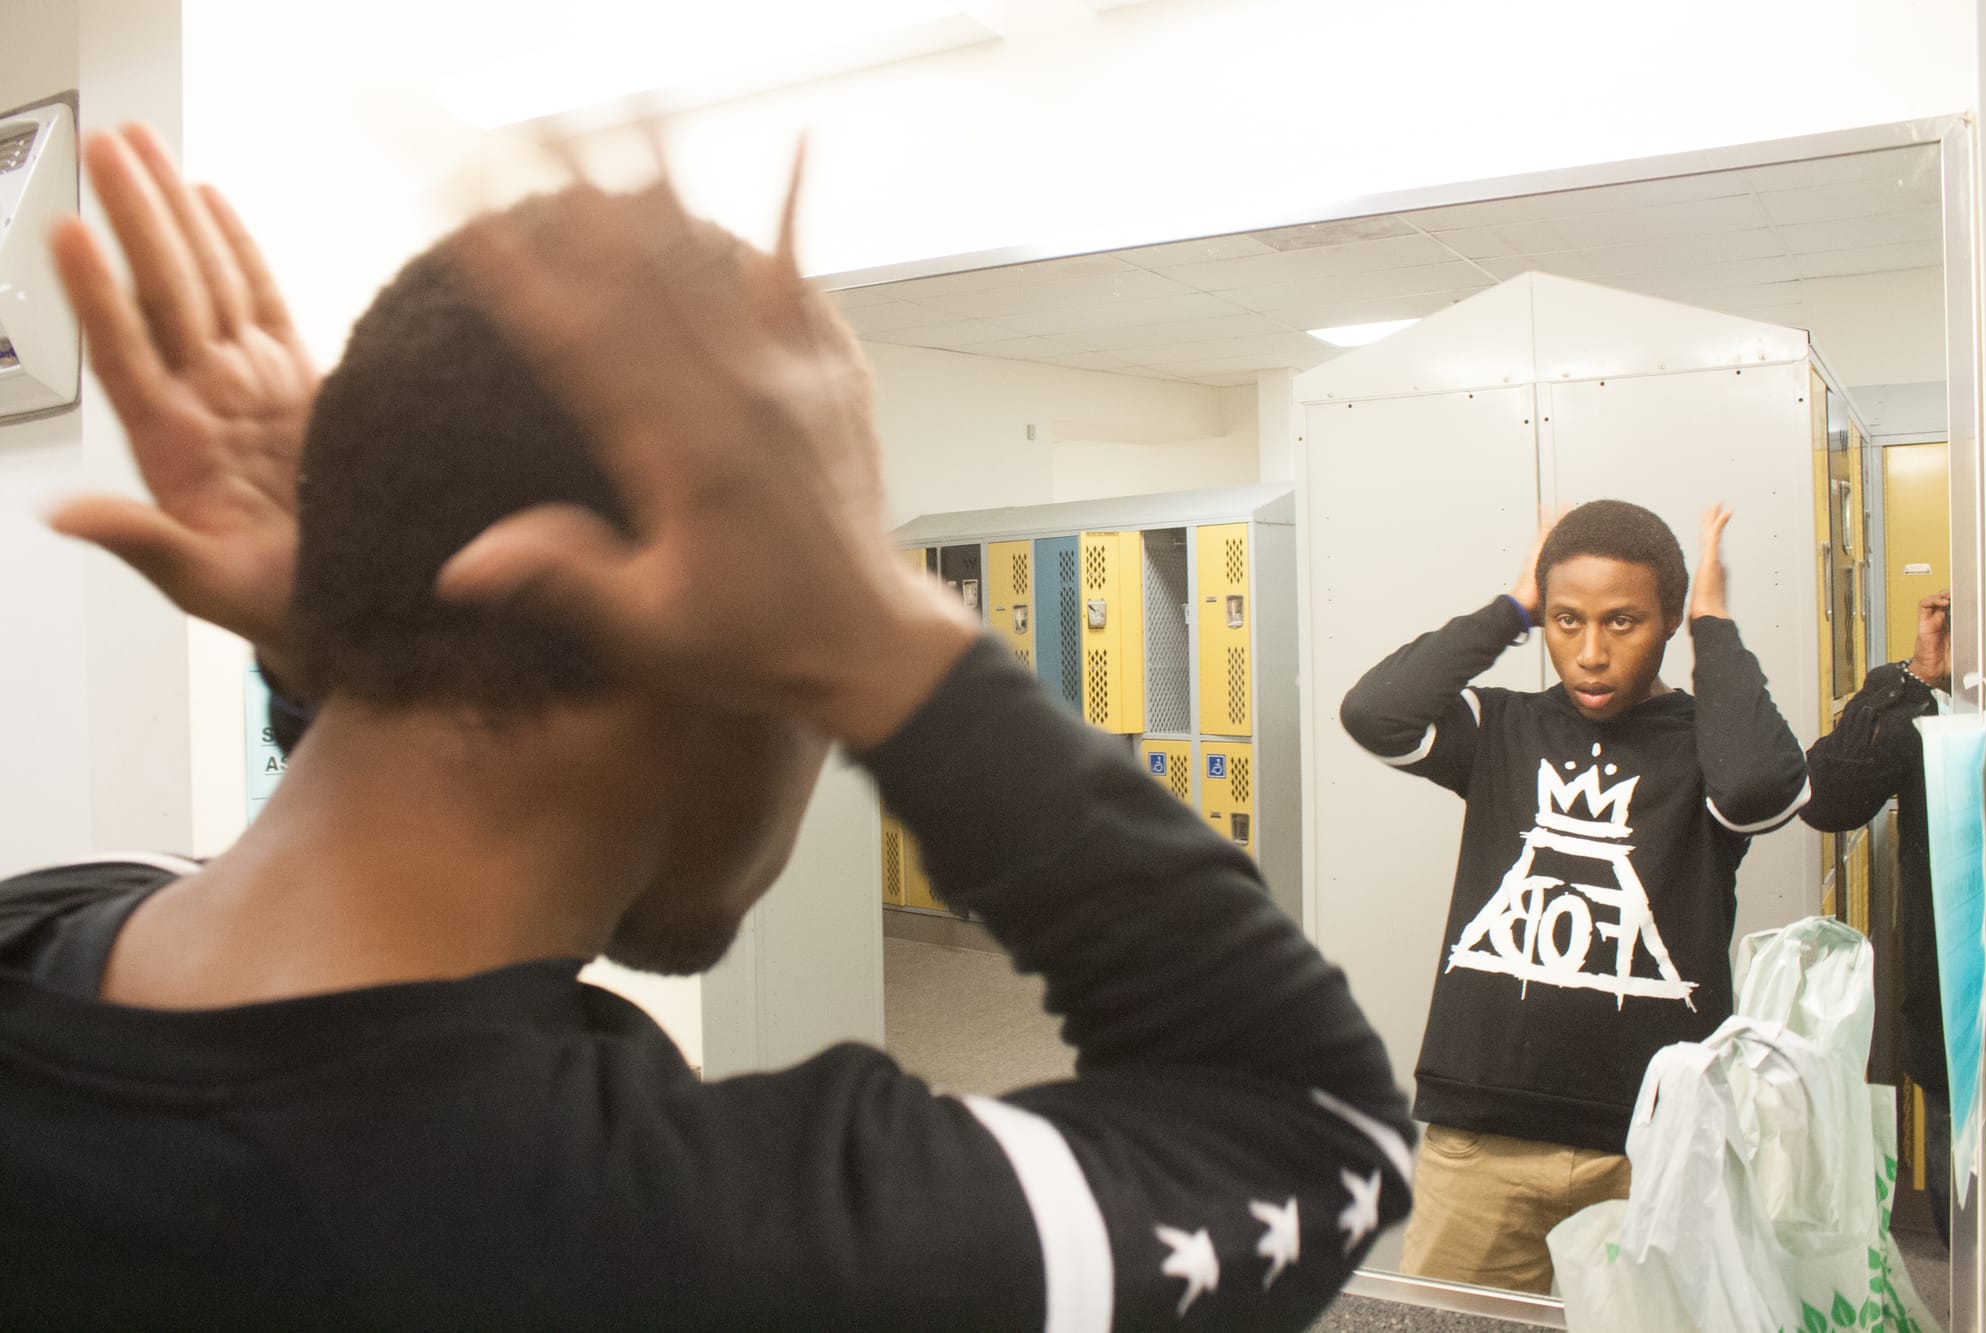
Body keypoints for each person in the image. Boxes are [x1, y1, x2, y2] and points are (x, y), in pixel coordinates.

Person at [0, 125, 1414, 1330]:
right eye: (813, 625)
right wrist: (885, 640)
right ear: (721, 650)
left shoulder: (47, 933)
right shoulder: (707, 1249)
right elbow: (1315, 1122)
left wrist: (364, 639)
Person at [1339, 498, 1810, 1294]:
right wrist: (1510, 608)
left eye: (1623, 622)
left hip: (1655, 1140)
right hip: (1484, 1135)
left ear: (1667, 620)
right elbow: (1372, 711)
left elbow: (1765, 787)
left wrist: (1714, 624)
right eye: (1565, 621)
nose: (1590, 652)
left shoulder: (1708, 747)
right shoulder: (1502, 726)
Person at [1801, 589, 1953, 1242]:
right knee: (1974, 1254)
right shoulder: (1937, 696)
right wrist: (1916, 677)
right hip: (1961, 1024)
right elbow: (1827, 797)